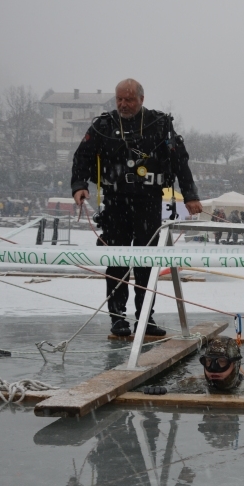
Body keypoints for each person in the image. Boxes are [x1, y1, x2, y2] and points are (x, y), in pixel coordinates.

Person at [71, 79, 202, 336]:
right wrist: (79, 185)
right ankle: (118, 318)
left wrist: (190, 195)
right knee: (117, 263)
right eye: (119, 99)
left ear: (141, 99)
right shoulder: (103, 125)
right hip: (115, 203)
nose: (123, 104)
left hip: (148, 203)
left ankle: (145, 318)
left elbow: (179, 161)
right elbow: (82, 156)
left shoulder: (160, 124)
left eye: (129, 99)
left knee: (146, 264)